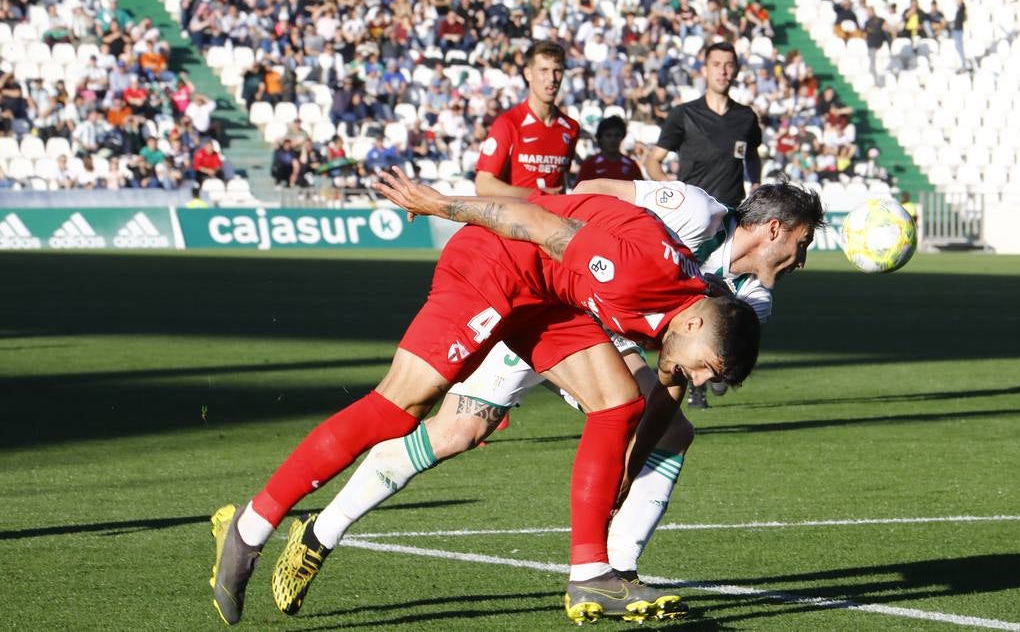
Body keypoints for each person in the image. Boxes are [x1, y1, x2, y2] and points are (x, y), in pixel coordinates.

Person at [209, 173, 761, 626]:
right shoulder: (647, 273)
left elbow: (662, 398)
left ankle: (591, 573)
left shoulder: (688, 318)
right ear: (691, 323)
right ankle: (250, 527)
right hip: (494, 262)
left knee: (617, 402)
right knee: (401, 407)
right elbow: (536, 222)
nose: (694, 378)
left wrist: (628, 471)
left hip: (548, 293)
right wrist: (439, 204)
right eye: (703, 368)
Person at [644, 40, 762, 407]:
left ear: (736, 70)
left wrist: (756, 188)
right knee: (693, 302)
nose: (723, 70)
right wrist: (668, 190)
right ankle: (696, 383)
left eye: (729, 64)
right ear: (705, 69)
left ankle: (719, 363)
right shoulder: (684, 114)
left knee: (731, 299)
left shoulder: (746, 118)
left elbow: (752, 159)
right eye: (716, 64)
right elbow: (654, 160)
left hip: (732, 224)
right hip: (691, 227)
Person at [476, 40, 578, 197]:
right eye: (543, 70)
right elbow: (483, 185)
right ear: (528, 74)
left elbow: (561, 182)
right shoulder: (508, 123)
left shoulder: (571, 128)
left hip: (552, 219)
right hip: (516, 219)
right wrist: (536, 195)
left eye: (557, 71)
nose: (551, 78)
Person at [577, 115, 644, 182]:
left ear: (622, 137)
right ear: (600, 138)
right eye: (608, 135)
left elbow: (642, 190)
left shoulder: (632, 165)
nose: (613, 139)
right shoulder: (589, 165)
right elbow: (578, 191)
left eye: (617, 135)